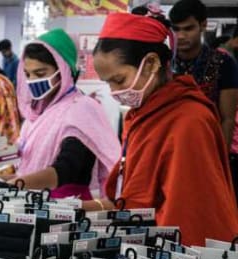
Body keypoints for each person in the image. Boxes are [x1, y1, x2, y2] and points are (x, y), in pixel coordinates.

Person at [88, 11, 238, 245]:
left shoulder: (190, 121)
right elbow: (131, 194)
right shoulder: (141, 115)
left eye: (119, 80)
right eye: (108, 83)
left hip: (172, 251)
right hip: (142, 240)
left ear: (151, 63)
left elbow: (188, 216)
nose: (114, 92)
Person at [8, 29, 121, 200]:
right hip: (32, 198)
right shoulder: (36, 114)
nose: (32, 81)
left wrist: (14, 185)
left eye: (40, 74)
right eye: (27, 75)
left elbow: (67, 169)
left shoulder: (81, 109)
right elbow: (27, 168)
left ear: (63, 70)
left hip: (68, 204)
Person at [169, 0, 238, 149]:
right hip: (168, 144)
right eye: (176, 29)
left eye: (188, 28)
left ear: (203, 25)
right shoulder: (163, 62)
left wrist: (220, 156)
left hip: (207, 145)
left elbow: (228, 119)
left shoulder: (223, 62)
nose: (180, 36)